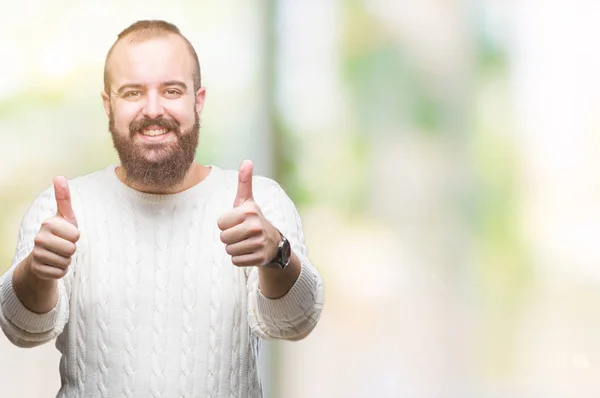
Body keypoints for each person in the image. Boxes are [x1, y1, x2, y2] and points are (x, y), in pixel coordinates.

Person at [0, 20, 324, 397]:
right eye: (133, 92)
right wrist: (37, 271)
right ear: (109, 104)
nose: (153, 110)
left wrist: (277, 253)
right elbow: (21, 329)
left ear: (197, 100)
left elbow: (296, 322)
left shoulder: (259, 204)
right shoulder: (61, 211)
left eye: (171, 90)